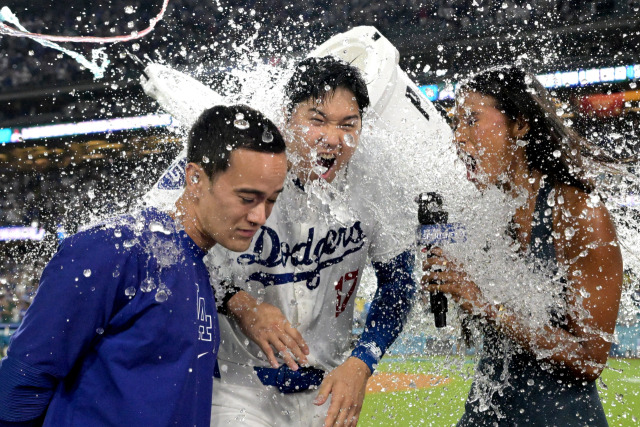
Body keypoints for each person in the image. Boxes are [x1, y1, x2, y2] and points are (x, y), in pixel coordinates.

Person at [0, 105, 288, 426]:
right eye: (247, 198)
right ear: (194, 178)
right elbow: (23, 380)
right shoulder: (114, 247)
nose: (260, 216)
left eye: (271, 199)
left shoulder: (198, 269)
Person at [209, 56, 416, 427]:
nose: (333, 138)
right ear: (288, 119)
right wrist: (240, 303)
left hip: (327, 387)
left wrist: (362, 362)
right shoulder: (247, 169)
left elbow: (399, 285)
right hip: (238, 385)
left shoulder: (378, 185)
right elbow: (184, 253)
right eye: (317, 120)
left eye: (348, 124)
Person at [421, 65, 624, 425]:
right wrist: (448, 280)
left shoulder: (579, 214)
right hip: (487, 411)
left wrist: (485, 305)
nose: (458, 137)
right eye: (456, 124)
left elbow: (591, 359)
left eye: (472, 121)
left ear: (520, 124)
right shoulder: (489, 211)